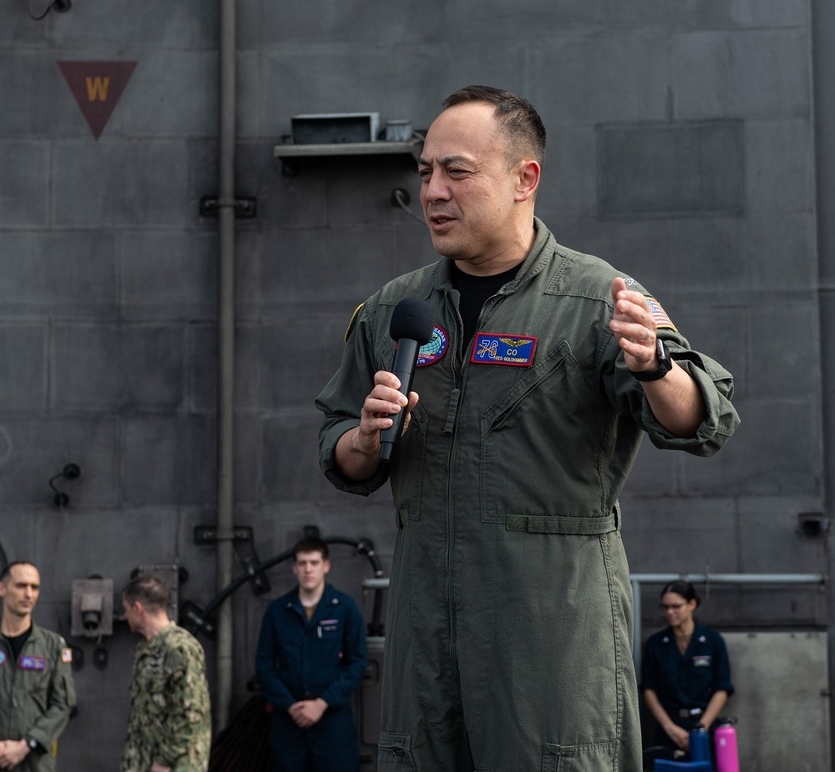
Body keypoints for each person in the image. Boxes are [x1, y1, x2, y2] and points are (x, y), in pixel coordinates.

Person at [315, 85, 740, 770]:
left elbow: (703, 418)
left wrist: (659, 366)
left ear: (524, 178)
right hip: (427, 633)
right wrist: (363, 440)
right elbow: (338, 448)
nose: (433, 192)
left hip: (550, 643)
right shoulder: (396, 309)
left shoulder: (598, 299)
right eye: (424, 172)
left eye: (456, 171)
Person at [255, 535, 369, 771]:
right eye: (303, 563)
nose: (308, 569)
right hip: (288, 723)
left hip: (332, 722)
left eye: (314, 563)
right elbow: (264, 665)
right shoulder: (278, 611)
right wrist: (289, 705)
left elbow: (357, 662)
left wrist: (322, 703)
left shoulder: (344, 609)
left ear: (326, 566)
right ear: (294, 568)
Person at [0, 561, 76, 772]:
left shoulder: (53, 647)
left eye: (34, 587)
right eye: (21, 586)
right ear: (2, 589)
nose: (29, 594)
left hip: (33, 763)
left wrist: (27, 744)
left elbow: (62, 704)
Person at [120, 573, 212, 772]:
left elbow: (191, 714)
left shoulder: (180, 648)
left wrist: (164, 761)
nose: (125, 616)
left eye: (126, 610)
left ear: (138, 609)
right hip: (144, 761)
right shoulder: (147, 650)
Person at [640, 580, 734, 758]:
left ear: (692, 604)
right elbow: (648, 690)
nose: (669, 612)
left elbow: (722, 688)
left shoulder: (713, 641)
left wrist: (701, 729)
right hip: (669, 729)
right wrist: (670, 728)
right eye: (665, 607)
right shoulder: (655, 644)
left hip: (705, 726)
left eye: (676, 606)